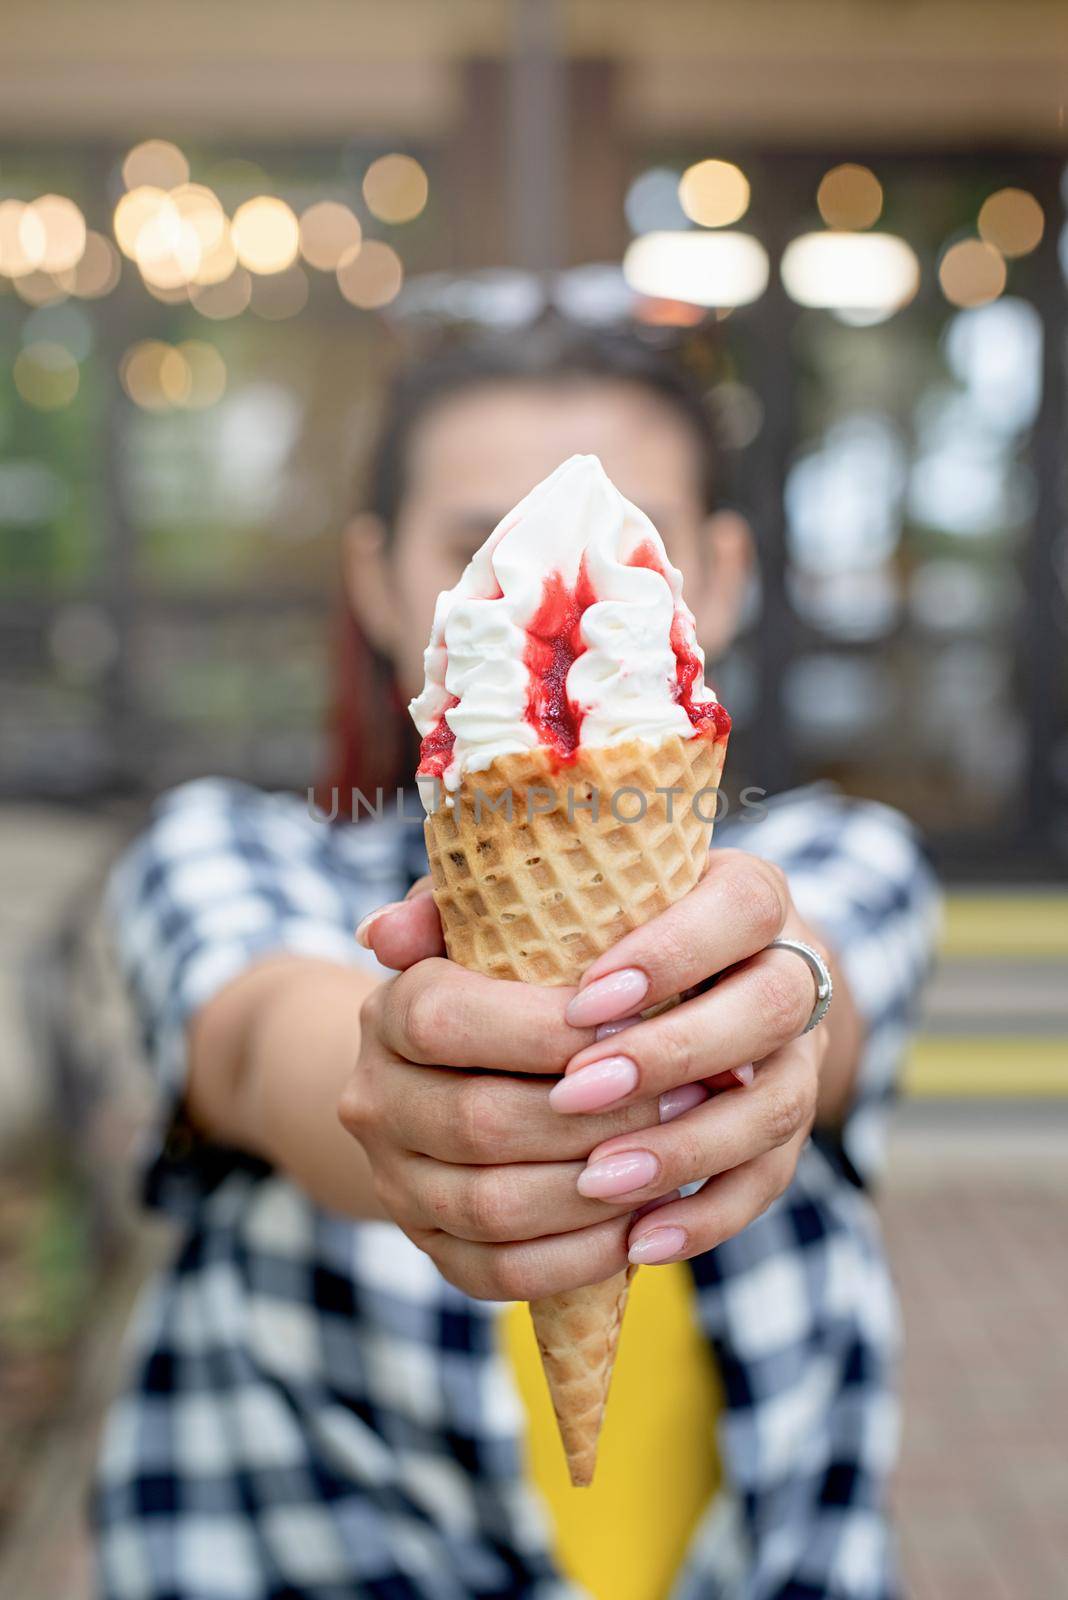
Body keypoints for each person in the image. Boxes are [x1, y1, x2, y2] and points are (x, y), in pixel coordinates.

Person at [96, 322, 939, 1600]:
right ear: (377, 583)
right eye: (469, 546)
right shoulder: (229, 849)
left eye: (637, 545)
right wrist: (393, 1073)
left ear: (717, 573)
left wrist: (779, 992)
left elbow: (830, 959)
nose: (563, 580)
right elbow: (262, 1031)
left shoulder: (846, 852)